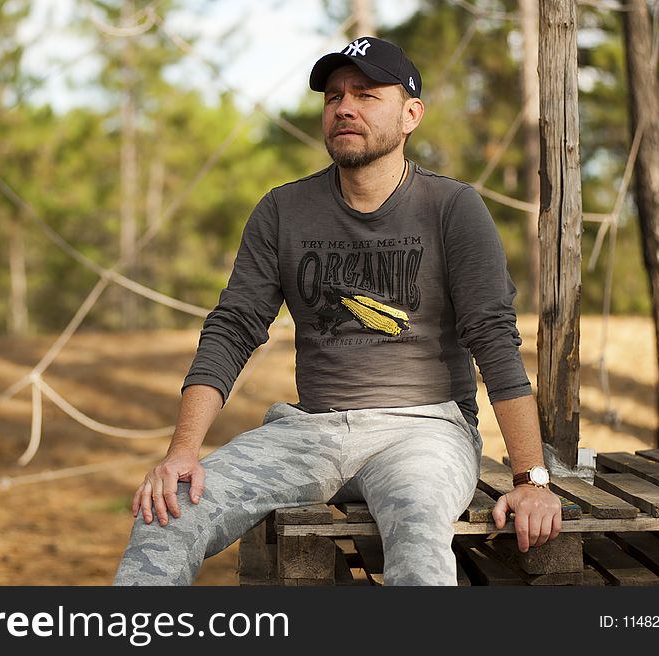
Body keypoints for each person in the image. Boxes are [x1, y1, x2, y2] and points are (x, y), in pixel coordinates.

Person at [114, 36, 562, 586]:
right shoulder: (283, 209)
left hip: (423, 432)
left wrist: (532, 479)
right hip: (309, 432)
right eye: (333, 97)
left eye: (367, 94)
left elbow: (493, 339)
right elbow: (233, 327)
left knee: (419, 541)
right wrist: (182, 452)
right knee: (167, 511)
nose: (344, 107)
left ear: (410, 115)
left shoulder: (452, 207)